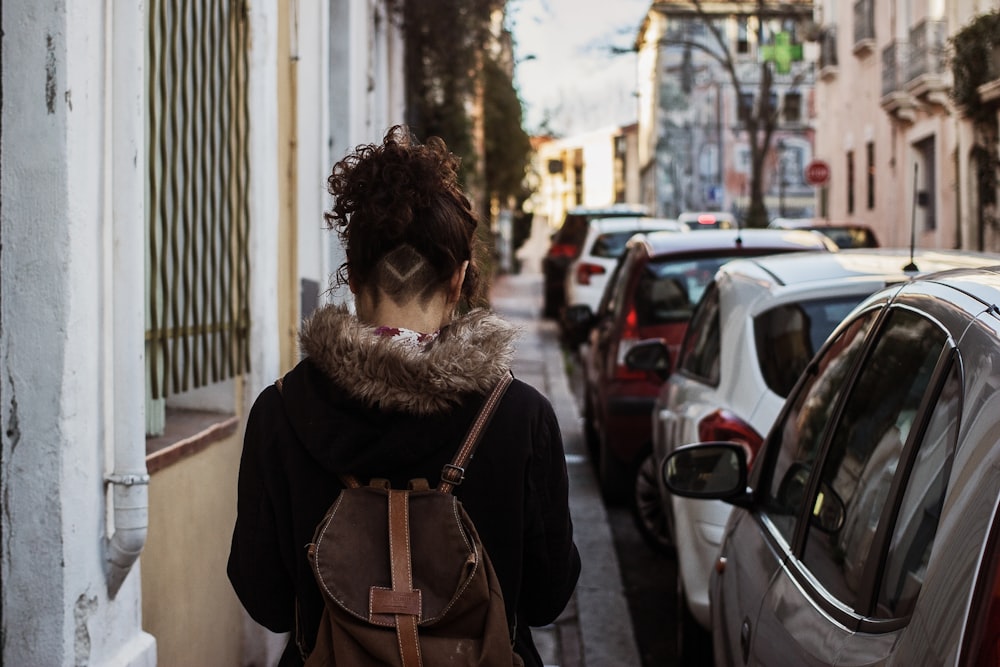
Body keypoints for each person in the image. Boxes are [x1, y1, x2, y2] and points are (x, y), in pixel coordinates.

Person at [227, 125, 581, 666]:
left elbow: (267, 601)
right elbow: (548, 596)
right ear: (459, 279)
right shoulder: (519, 415)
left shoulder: (280, 411)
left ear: (353, 273)